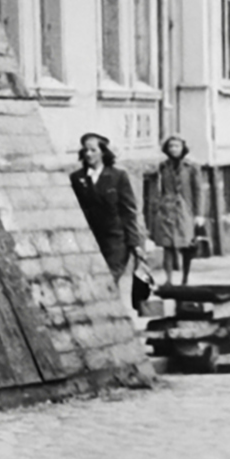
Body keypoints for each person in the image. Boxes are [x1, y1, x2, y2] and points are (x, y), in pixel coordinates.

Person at [69, 132, 146, 320]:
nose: (88, 154)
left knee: (111, 277)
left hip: (115, 238)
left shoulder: (118, 176)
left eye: (93, 150)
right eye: (85, 150)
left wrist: (134, 242)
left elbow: (128, 210)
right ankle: (103, 316)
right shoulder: (77, 178)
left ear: (103, 152)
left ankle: (112, 316)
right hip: (89, 239)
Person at [153, 133, 201, 288]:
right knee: (167, 245)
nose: (174, 149)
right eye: (171, 146)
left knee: (186, 245)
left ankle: (185, 278)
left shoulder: (191, 167)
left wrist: (199, 214)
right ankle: (168, 279)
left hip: (185, 210)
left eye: (177, 146)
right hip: (167, 209)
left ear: (183, 148)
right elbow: (159, 188)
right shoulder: (163, 166)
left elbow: (198, 190)